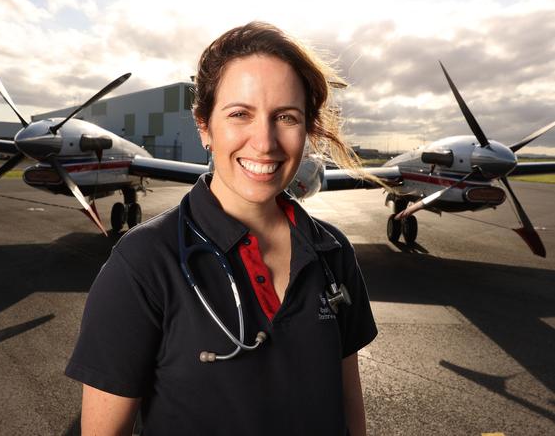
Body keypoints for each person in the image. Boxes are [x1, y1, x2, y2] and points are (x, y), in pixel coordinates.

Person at [65, 22, 377, 436]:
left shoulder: (334, 251)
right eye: (239, 114)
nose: (264, 142)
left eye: (286, 116)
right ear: (204, 127)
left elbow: (349, 408)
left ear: (308, 129)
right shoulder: (141, 264)